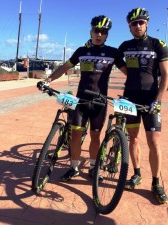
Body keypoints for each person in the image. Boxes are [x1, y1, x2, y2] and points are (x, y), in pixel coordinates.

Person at [39, 15, 126, 182]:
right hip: (81, 101)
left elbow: (129, 73)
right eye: (96, 31)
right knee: (75, 135)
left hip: (99, 102)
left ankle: (93, 168)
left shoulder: (113, 53)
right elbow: (64, 67)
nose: (99, 34)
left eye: (103, 32)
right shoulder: (81, 51)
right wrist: (48, 80)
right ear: (91, 31)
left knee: (95, 136)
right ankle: (74, 168)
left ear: (107, 34)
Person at [118, 8, 168, 204]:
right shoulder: (125, 45)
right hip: (129, 99)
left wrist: (158, 100)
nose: (138, 25)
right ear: (129, 26)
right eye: (134, 23)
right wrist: (129, 74)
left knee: (154, 142)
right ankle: (137, 173)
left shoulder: (158, 44)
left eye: (141, 22)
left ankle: (156, 183)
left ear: (146, 23)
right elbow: (113, 58)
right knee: (133, 139)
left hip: (151, 100)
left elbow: (165, 75)